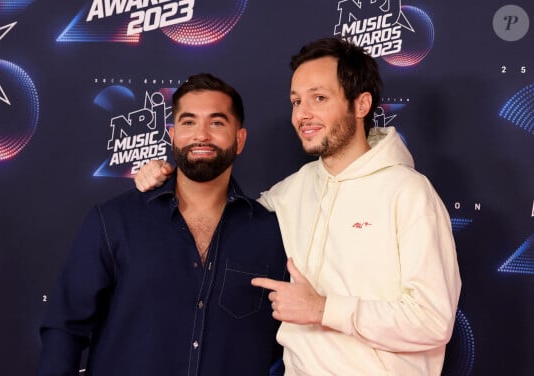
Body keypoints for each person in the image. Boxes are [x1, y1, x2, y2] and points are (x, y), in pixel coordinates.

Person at [134, 37, 462, 375]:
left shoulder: (408, 192)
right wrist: (166, 176)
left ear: (361, 104)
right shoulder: (292, 191)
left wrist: (323, 309)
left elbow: (433, 321)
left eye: (319, 98)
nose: (302, 115)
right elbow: (221, 215)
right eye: (296, 101)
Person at [38, 73, 288, 375]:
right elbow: (64, 327)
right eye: (188, 122)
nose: (202, 135)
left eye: (217, 123)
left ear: (240, 139)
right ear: (172, 135)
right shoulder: (115, 220)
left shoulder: (271, 232)